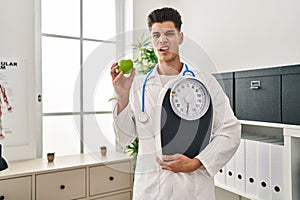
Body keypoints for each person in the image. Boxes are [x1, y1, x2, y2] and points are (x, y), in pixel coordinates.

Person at [110, 7, 241, 200]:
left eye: (169, 33)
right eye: (156, 35)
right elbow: (125, 138)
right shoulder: (138, 86)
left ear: (180, 37)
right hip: (151, 189)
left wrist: (197, 162)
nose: (162, 40)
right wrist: (122, 97)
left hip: (192, 189)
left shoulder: (205, 83)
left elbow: (230, 130)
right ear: (152, 40)